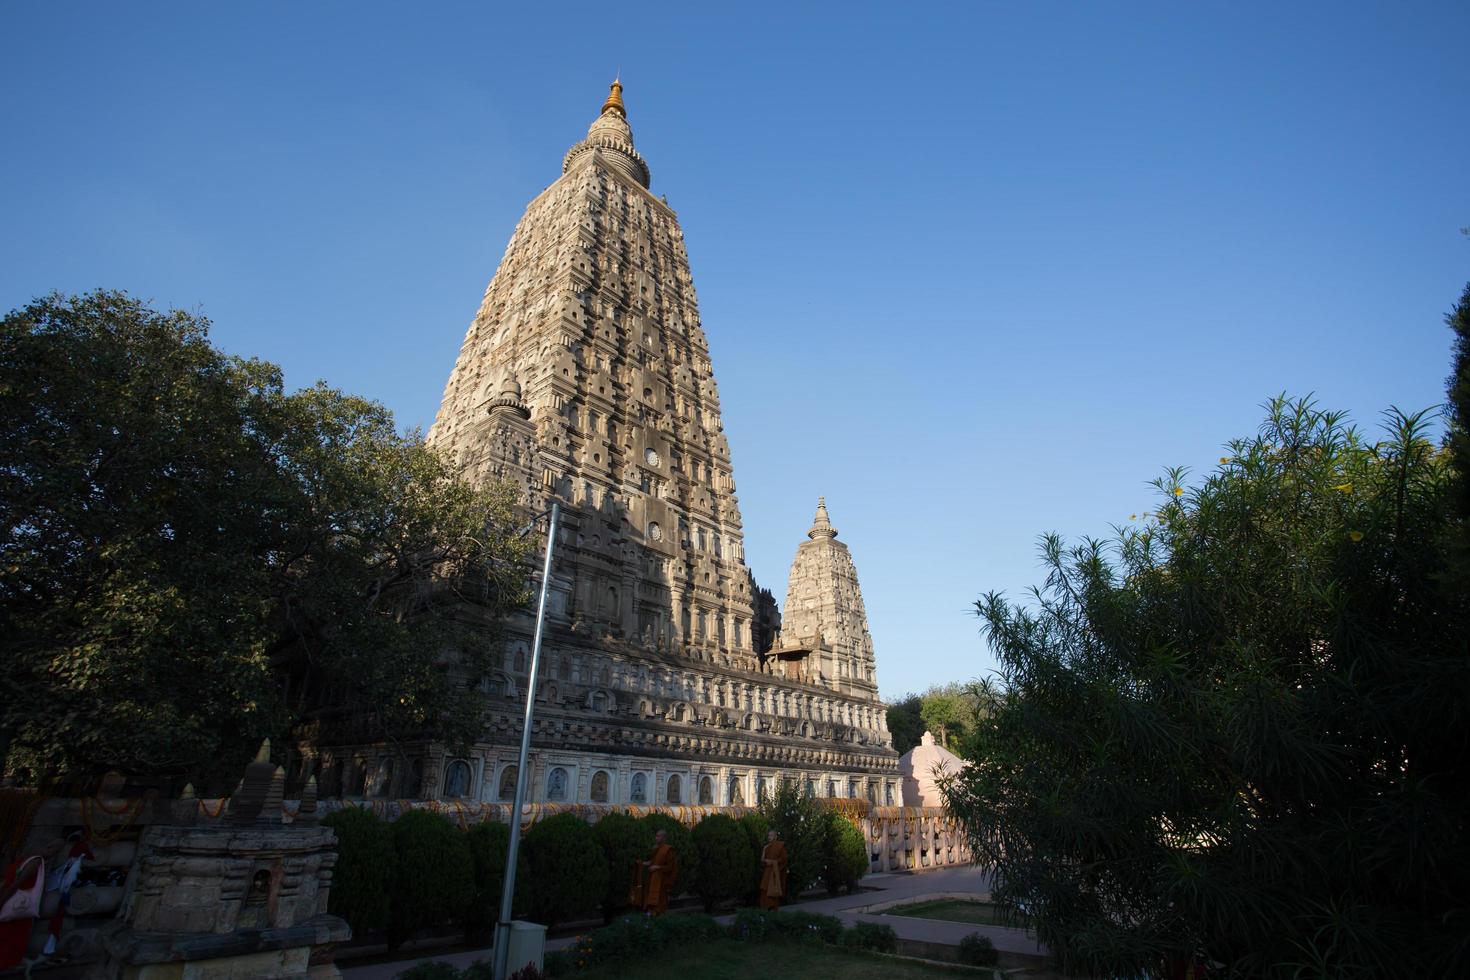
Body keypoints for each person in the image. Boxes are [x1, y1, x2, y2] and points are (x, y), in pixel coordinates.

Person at [639, 829, 678, 916]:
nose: (656, 838)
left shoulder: (669, 850)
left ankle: (659, 918)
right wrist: (643, 863)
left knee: (659, 904)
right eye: (656, 836)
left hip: (662, 881)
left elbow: (670, 867)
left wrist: (657, 867)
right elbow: (653, 862)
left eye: (658, 836)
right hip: (653, 880)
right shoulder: (656, 848)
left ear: (663, 838)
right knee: (650, 901)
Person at [759, 829, 787, 910]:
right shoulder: (767, 847)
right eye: (768, 835)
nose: (769, 837)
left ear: (775, 836)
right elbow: (762, 860)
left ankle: (773, 909)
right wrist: (764, 850)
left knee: (773, 890)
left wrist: (772, 862)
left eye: (771, 835)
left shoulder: (780, 846)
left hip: (774, 872)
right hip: (767, 872)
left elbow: (784, 859)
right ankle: (764, 908)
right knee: (764, 889)